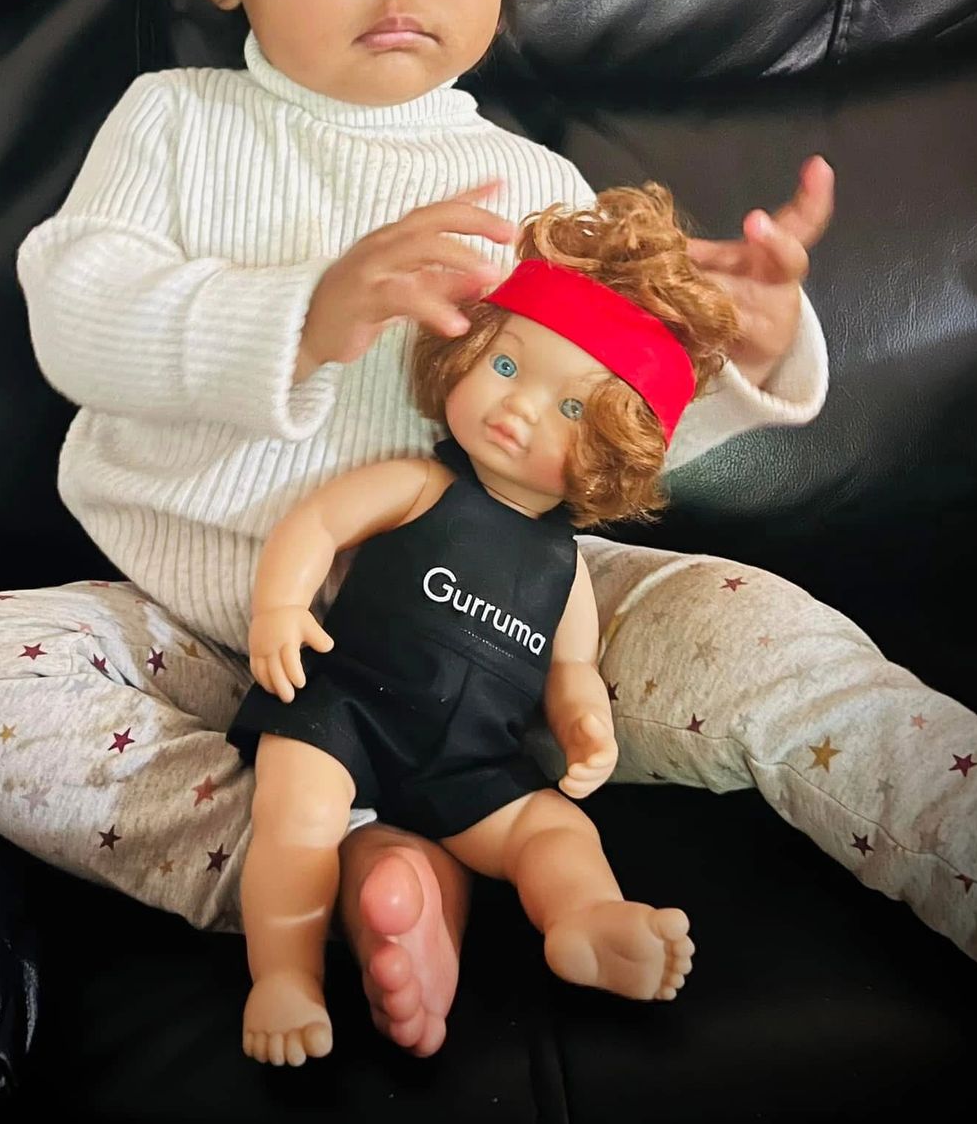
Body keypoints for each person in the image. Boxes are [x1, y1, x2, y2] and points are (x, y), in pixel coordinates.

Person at [0, 0, 977, 1066]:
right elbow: (75, 311)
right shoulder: (174, 123)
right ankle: (325, 860)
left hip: (511, 635)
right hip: (223, 640)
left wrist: (738, 353)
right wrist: (308, 312)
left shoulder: (536, 192)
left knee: (767, 630)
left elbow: (604, 452)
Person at [228, 187, 735, 1063]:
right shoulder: (421, 486)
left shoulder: (564, 567)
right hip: (347, 712)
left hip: (469, 764)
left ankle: (584, 918)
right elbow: (313, 525)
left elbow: (572, 671)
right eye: (505, 365)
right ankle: (285, 976)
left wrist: (586, 727)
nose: (519, 409)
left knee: (555, 830)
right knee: (296, 813)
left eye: (572, 410)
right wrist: (280, 609)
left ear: (614, 453)